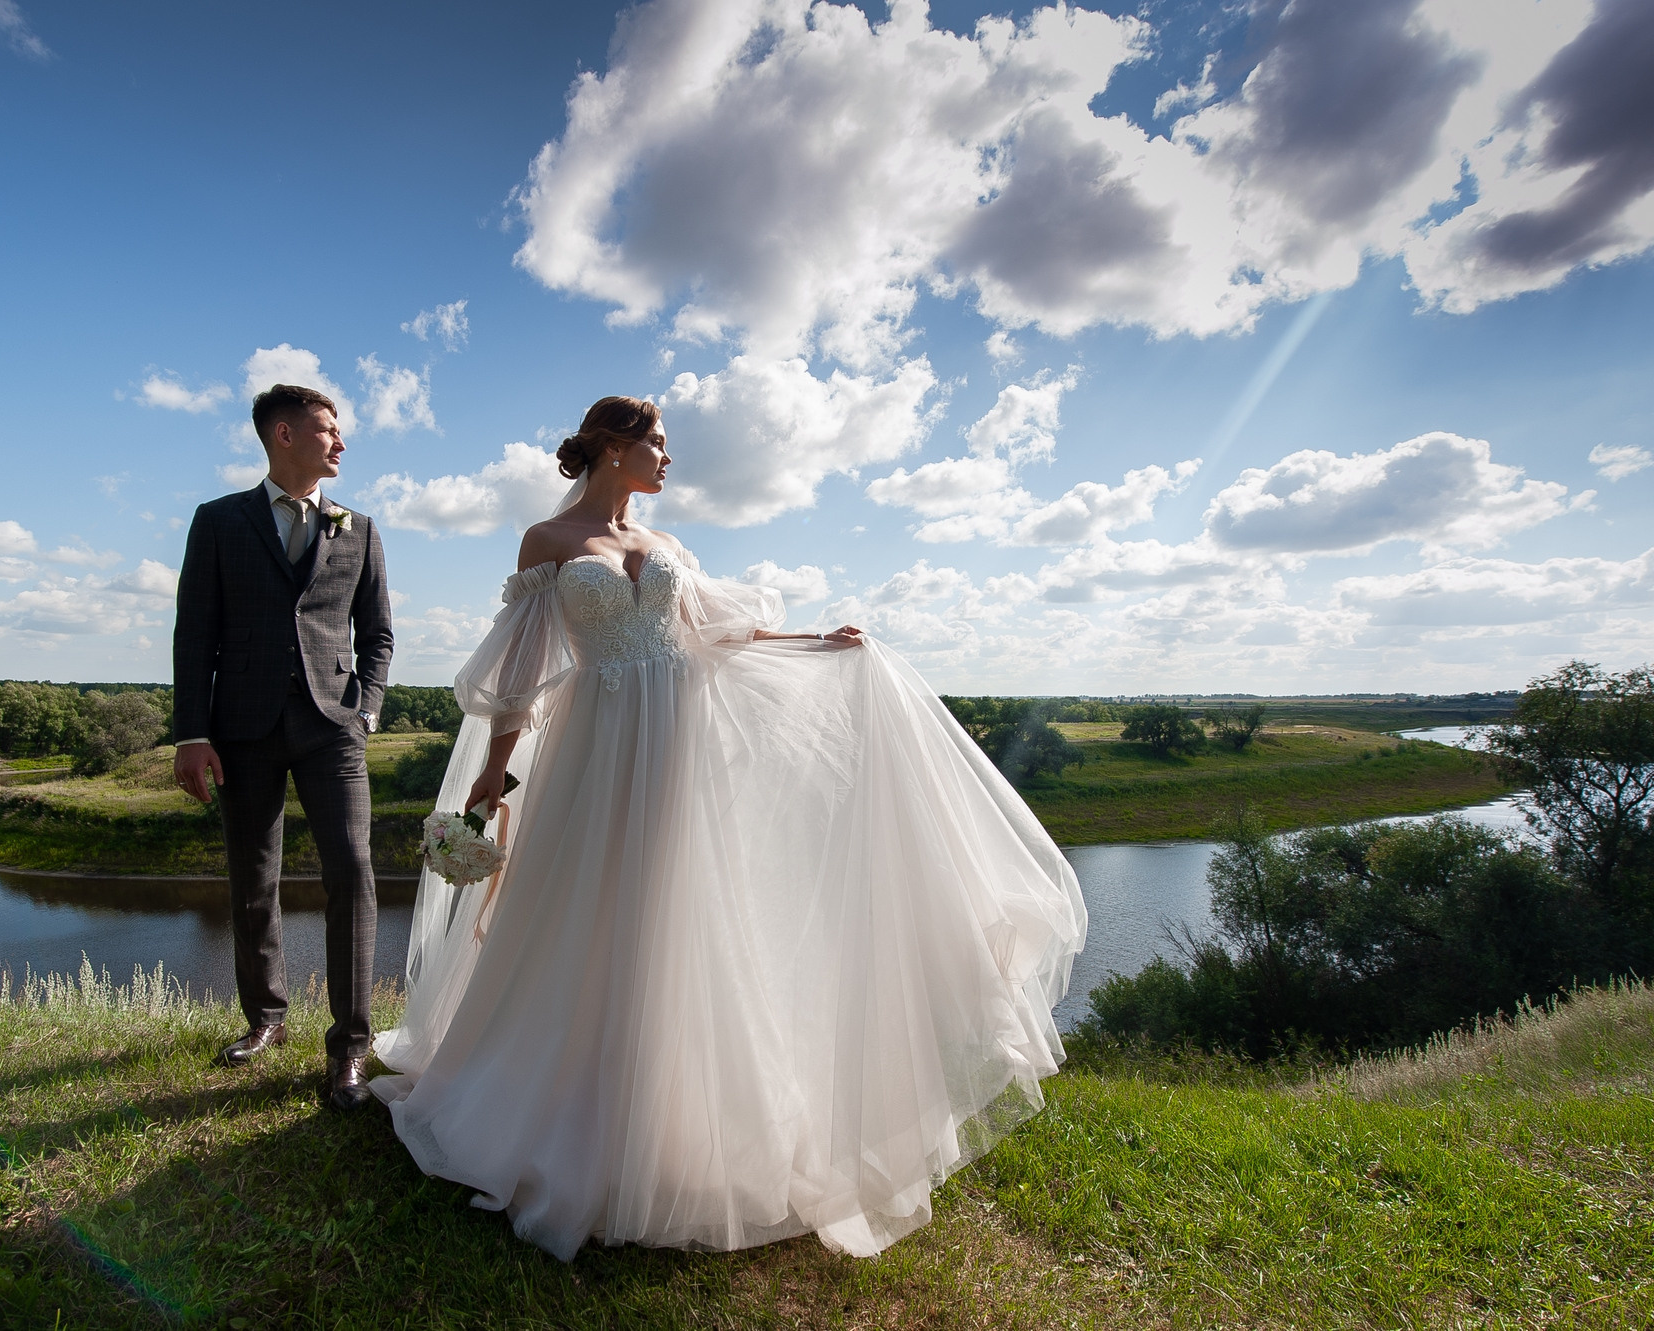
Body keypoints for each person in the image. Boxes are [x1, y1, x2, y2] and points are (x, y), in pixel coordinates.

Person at [372, 395, 1086, 1258]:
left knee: (675, 912)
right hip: (597, 749)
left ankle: (670, 1113)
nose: (668, 460)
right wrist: (496, 767)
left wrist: (818, 640)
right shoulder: (549, 544)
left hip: (678, 747)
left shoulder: (668, 549)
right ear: (609, 445)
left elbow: (719, 634)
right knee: (589, 911)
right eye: (657, 443)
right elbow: (522, 666)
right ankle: (559, 1102)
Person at [172, 383, 393, 1111]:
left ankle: (350, 1049)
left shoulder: (359, 527)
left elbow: (379, 632)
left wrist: (366, 708)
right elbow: (194, 633)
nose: (341, 441)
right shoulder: (217, 522)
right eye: (329, 428)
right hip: (241, 726)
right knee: (252, 878)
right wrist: (192, 732)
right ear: (283, 434)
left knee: (353, 874)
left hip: (333, 727)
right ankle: (265, 1017)